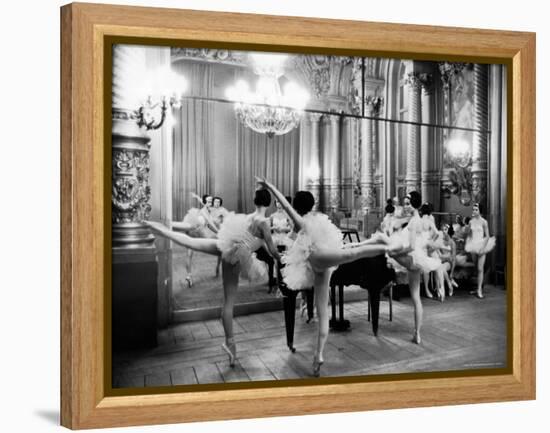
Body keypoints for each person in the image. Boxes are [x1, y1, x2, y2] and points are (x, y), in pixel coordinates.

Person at [256, 177, 401, 377]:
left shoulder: (301, 222)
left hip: (316, 265)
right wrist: (269, 185)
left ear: (297, 207)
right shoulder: (314, 220)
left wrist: (270, 186)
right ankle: (385, 245)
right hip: (321, 260)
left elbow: (291, 226)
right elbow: (293, 230)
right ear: (312, 205)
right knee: (351, 252)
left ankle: (319, 355)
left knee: (324, 310)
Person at [144, 189, 281, 367]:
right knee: (228, 303)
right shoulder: (263, 222)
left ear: (254, 201)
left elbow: (244, 236)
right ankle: (230, 344)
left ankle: (157, 228)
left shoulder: (249, 216)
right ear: (269, 204)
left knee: (191, 242)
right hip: (237, 256)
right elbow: (272, 249)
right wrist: (283, 258)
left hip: (227, 245)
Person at [387, 191, 443, 344]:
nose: (405, 206)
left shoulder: (414, 222)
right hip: (419, 260)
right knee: (416, 298)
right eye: (404, 204)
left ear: (413, 204)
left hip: (413, 258)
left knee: (389, 252)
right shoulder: (418, 220)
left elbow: (411, 246)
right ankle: (417, 334)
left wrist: (395, 252)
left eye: (407, 203)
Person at [172, 193, 218, 287]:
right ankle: (168, 224)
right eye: (208, 201)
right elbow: (210, 223)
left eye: (211, 201)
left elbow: (203, 203)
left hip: (198, 232)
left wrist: (197, 197)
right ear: (206, 203)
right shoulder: (204, 211)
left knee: (189, 253)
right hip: (194, 228)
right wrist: (219, 232)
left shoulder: (208, 209)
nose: (210, 203)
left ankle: (189, 276)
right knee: (177, 227)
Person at [464, 203, 496, 299]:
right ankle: (478, 287)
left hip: (482, 245)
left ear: (480, 211)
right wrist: (468, 240)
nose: (474, 211)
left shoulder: (484, 222)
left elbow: (487, 236)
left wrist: (483, 248)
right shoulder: (471, 222)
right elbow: (469, 234)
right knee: (475, 269)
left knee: (480, 269)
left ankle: (479, 290)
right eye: (473, 209)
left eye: (476, 209)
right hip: (473, 245)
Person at [211, 196, 229, 277]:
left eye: (218, 202)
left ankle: (218, 266)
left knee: (221, 251)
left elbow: (228, 219)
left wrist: (222, 224)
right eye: (215, 202)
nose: (217, 203)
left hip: (220, 232)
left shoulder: (222, 210)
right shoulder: (210, 210)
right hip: (211, 232)